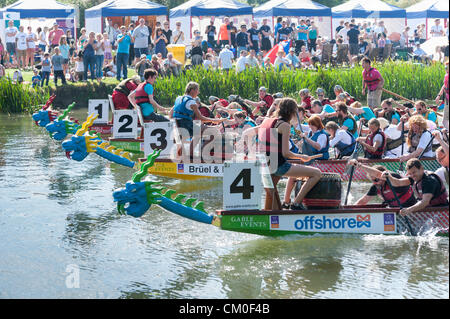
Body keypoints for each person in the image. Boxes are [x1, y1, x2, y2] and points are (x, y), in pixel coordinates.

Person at [243, 97, 321, 210]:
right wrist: (302, 157)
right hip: (279, 166)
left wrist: (252, 152)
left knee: (272, 191)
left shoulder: (267, 121)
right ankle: (296, 204)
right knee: (316, 173)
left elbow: (247, 133)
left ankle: (271, 214)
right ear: (291, 112)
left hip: (264, 165)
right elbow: (286, 153)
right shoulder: (284, 125)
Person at [349, 161, 417, 208]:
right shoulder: (376, 186)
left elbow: (378, 174)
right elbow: (364, 200)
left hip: (410, 207)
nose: (375, 183)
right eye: (372, 180)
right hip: (395, 210)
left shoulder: (393, 177)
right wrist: (350, 209)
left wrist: (359, 165)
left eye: (376, 180)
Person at [435, 62, 449, 130]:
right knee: (444, 121)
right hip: (447, 99)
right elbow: (444, 86)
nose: (446, 69)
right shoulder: (446, 75)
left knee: (444, 121)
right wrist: (438, 95)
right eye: (445, 68)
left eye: (447, 68)